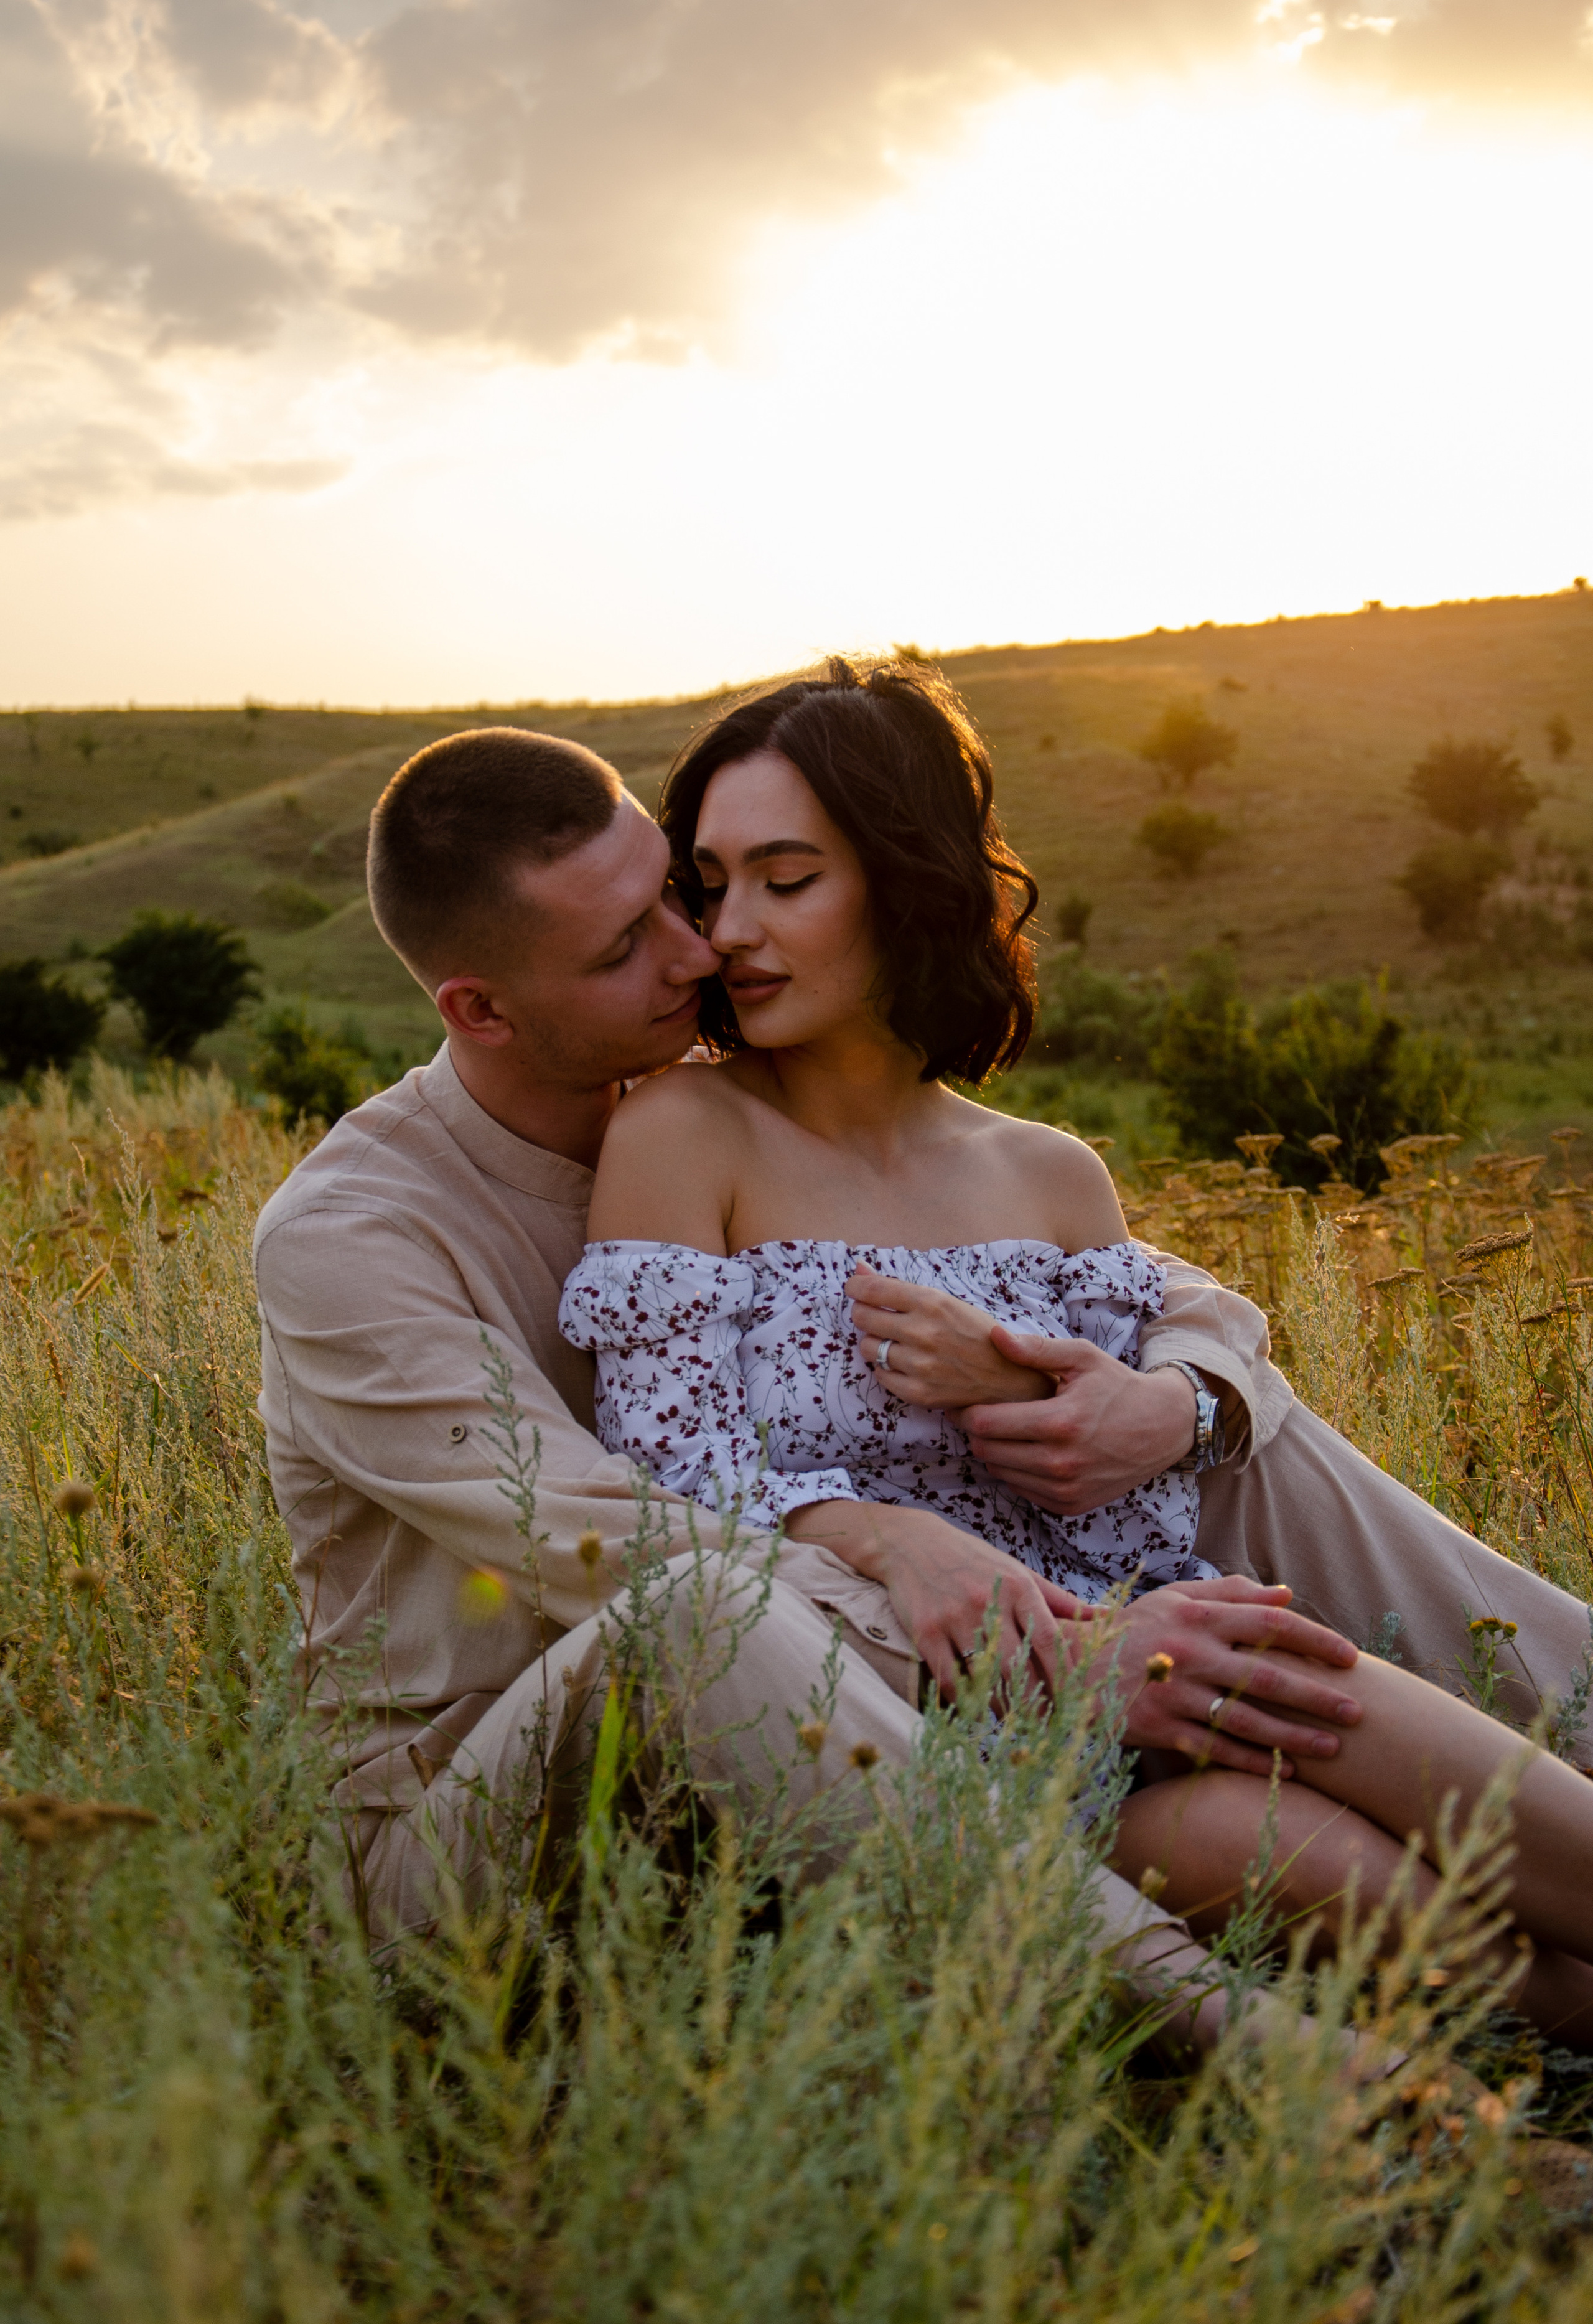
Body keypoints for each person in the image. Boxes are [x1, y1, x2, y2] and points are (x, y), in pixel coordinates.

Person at [252, 720, 1375, 2059]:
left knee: (1213, 1430)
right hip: (485, 1835)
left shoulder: (689, 1117)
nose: (699, 948)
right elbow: (609, 1541)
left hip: (804, 1769)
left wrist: (1179, 1398)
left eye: (672, 891)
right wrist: (1040, 1647)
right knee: (689, 1607)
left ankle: (1566, 1706)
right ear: (479, 1009)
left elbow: (1158, 1287)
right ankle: (1293, 2070)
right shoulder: (354, 1237)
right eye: (623, 948)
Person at [556, 655, 1593, 2043]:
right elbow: (669, 1475)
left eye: (784, 880)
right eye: (709, 883)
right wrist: (875, 1531)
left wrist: (1047, 1384)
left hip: (1168, 1646)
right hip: (935, 1730)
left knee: (1528, 1828)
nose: (730, 929)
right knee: (1372, 1891)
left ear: (905, 877)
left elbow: (1137, 1479)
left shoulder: (1050, 1176)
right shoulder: (685, 1134)